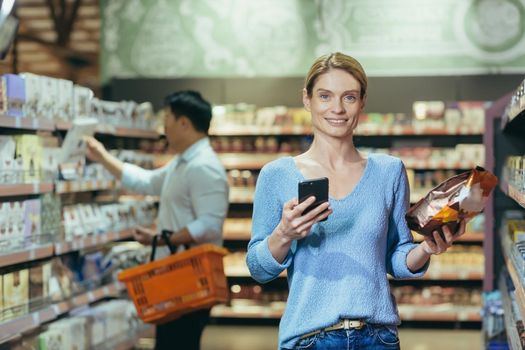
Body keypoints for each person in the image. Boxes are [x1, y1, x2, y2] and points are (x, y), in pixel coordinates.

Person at [246, 53, 466, 350]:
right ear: (307, 100)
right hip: (309, 339)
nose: (337, 108)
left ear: (362, 102)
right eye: (325, 96)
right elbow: (259, 269)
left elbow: (397, 258)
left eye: (349, 97)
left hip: (378, 337)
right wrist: (284, 234)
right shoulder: (277, 175)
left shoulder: (389, 172)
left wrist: (426, 248)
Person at [86, 90, 229, 350]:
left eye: (167, 120)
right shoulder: (183, 163)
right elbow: (146, 182)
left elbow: (209, 225)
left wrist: (164, 238)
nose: (164, 128)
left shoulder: (203, 167)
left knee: (178, 343)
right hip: (176, 279)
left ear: (184, 123)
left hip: (190, 279)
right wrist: (101, 156)